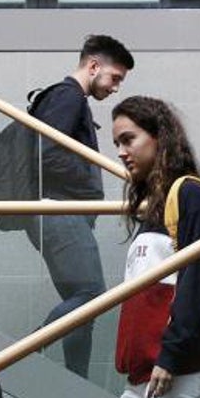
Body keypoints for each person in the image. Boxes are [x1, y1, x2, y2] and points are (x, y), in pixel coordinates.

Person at [81, 96, 200, 398]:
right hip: (145, 372)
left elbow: (198, 280)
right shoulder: (154, 210)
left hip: (178, 364)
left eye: (129, 139)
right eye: (117, 143)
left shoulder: (191, 195)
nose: (122, 152)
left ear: (159, 137)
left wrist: (172, 355)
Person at [25, 34, 134, 378]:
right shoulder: (68, 97)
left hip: (59, 214)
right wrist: (89, 182)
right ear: (93, 66)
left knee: (82, 309)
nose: (116, 88)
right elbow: (47, 155)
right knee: (90, 294)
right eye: (114, 78)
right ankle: (29, 354)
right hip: (60, 212)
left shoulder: (66, 99)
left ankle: (77, 381)